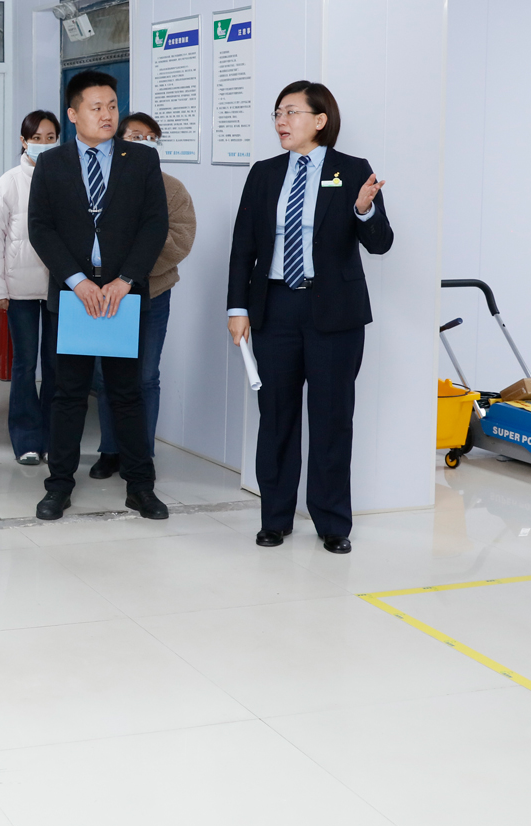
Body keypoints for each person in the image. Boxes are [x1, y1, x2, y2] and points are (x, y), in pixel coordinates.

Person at [228, 81, 391, 554]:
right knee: (276, 417)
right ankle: (275, 518)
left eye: (291, 112)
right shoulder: (264, 173)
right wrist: (237, 308)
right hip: (276, 308)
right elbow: (243, 246)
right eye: (277, 113)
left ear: (320, 120)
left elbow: (381, 243)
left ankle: (333, 522)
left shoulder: (353, 170)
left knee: (332, 418)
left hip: (334, 312)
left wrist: (363, 210)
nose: (281, 121)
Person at [27, 69, 169, 521]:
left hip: (123, 295)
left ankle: (140, 487)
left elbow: (155, 224)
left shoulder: (141, 160)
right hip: (75, 296)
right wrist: (78, 281)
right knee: (68, 394)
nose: (107, 115)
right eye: (96, 107)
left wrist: (125, 280)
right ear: (73, 114)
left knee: (127, 393)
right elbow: (40, 228)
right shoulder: (52, 163)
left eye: (112, 106)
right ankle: (59, 486)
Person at [89, 112, 196, 477]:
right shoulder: (99, 182)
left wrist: (132, 269)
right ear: (117, 140)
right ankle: (110, 449)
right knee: (107, 374)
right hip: (106, 293)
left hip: (153, 291)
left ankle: (142, 454)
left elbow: (180, 239)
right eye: (136, 135)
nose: (144, 142)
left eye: (151, 137)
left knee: (146, 375)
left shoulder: (172, 188)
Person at [0, 111, 60, 465]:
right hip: (19, 289)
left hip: (61, 287)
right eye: (37, 138)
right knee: (25, 364)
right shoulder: (8, 183)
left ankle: (55, 438)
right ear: (24, 141)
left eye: (50, 137)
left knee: (57, 364)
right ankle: (26, 439)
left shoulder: (68, 176)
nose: (44, 144)